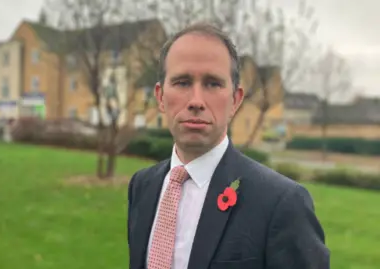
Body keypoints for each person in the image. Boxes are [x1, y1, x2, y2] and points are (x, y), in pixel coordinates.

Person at [127, 23, 329, 269]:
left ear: (235, 100)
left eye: (212, 84)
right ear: (159, 97)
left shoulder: (282, 204)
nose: (196, 101)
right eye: (182, 82)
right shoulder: (142, 186)